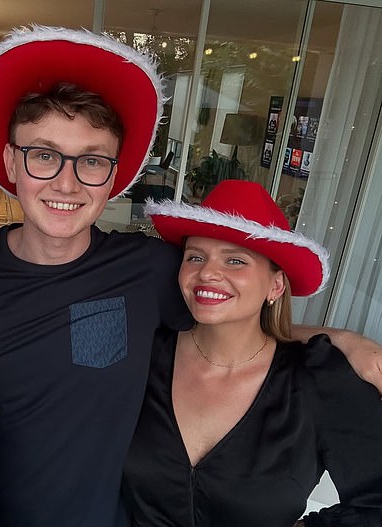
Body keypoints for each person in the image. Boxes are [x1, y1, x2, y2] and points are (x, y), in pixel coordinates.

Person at [0, 26, 382, 527]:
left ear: (114, 177)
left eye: (91, 161)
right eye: (44, 155)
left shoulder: (147, 269)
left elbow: (228, 314)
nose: (66, 183)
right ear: (10, 160)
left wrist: (338, 342)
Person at [122, 180, 382, 526]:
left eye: (235, 261)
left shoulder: (320, 380)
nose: (208, 273)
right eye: (195, 256)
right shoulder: (143, 352)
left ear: (275, 285)